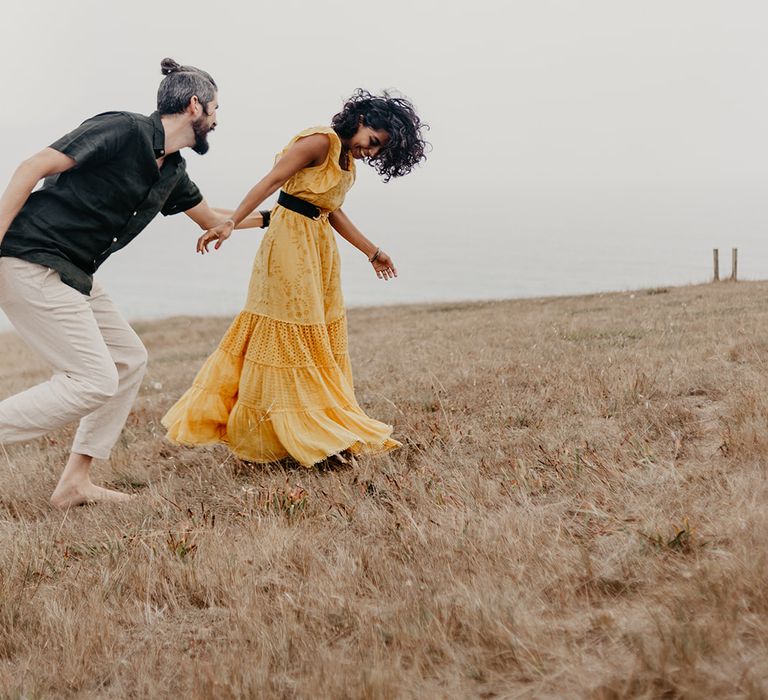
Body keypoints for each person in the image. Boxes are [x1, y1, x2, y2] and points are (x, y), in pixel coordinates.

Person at [0, 58, 263, 508]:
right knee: (93, 379)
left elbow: (215, 220)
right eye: (216, 109)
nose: (218, 119)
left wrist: (281, 218)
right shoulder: (123, 130)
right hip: (31, 257)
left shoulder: (172, 171)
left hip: (74, 272)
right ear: (195, 106)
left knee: (127, 359)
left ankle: (75, 482)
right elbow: (32, 166)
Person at [162, 90, 428, 467]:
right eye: (372, 141)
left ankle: (308, 426)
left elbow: (331, 211)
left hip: (317, 248)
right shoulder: (320, 140)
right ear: (362, 120)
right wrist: (230, 222)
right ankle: (291, 432)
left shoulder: (345, 160)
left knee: (314, 336)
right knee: (291, 335)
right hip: (289, 244)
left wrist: (372, 251)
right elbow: (272, 181)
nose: (370, 152)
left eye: (378, 150)